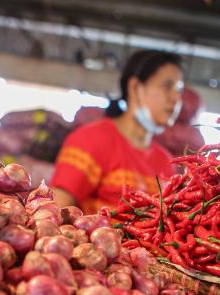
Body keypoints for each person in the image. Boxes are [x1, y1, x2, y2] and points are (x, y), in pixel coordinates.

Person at [51, 50, 184, 212]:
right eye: (167, 87)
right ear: (134, 87)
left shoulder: (166, 162)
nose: (175, 99)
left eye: (178, 90)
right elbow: (57, 211)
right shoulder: (90, 140)